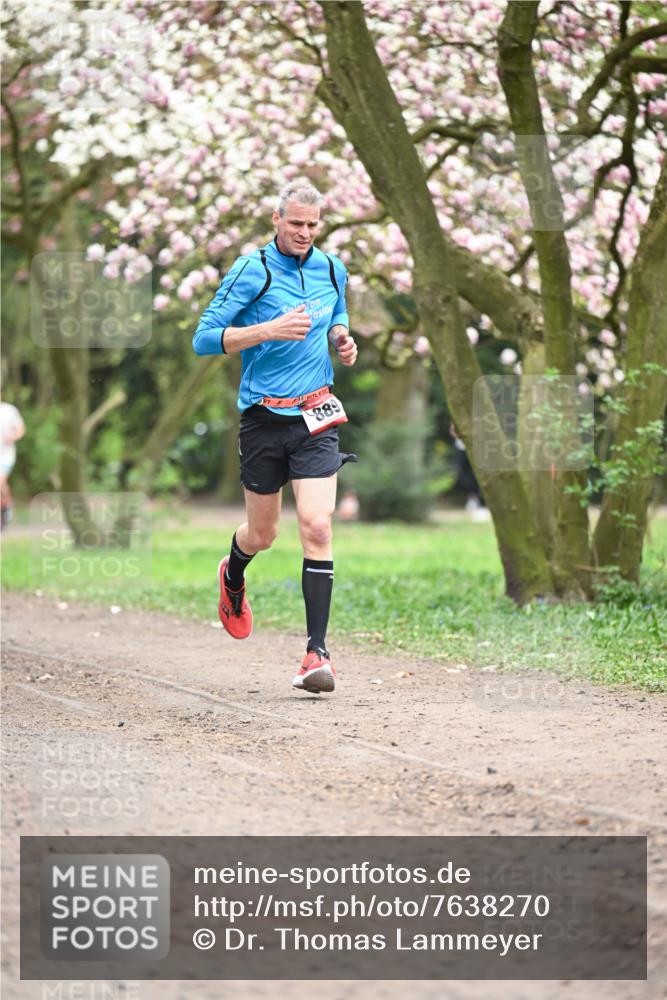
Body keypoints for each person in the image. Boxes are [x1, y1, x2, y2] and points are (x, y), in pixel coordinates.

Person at [193, 178, 358, 694]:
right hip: (264, 419)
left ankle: (316, 654)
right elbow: (204, 338)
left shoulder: (333, 267)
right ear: (276, 220)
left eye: (313, 224)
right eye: (296, 223)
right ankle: (234, 573)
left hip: (316, 414)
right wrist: (267, 330)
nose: (305, 232)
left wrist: (340, 338)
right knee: (263, 535)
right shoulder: (253, 270)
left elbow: (337, 314)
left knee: (317, 525)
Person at [0, 399, 25, 530]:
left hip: (6, 457)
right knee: (2, 486)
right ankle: (6, 506)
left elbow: (21, 429)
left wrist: (13, 437)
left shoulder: (9, 410)